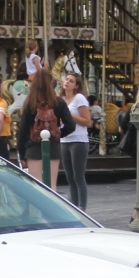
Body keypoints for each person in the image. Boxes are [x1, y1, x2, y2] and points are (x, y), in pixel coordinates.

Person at [16, 66, 76, 191]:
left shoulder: (30, 102)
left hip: (33, 146)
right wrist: (57, 134)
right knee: (52, 185)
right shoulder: (58, 102)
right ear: (51, 83)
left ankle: (37, 210)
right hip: (53, 146)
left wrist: (22, 154)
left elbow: (23, 130)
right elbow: (71, 125)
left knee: (36, 186)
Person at [60, 71, 91, 209]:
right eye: (66, 79)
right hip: (64, 139)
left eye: (71, 81)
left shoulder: (79, 98)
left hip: (78, 140)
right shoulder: (60, 99)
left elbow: (87, 122)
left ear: (76, 86)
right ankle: (74, 206)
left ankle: (82, 207)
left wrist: (70, 116)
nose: (67, 82)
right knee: (69, 177)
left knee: (78, 177)